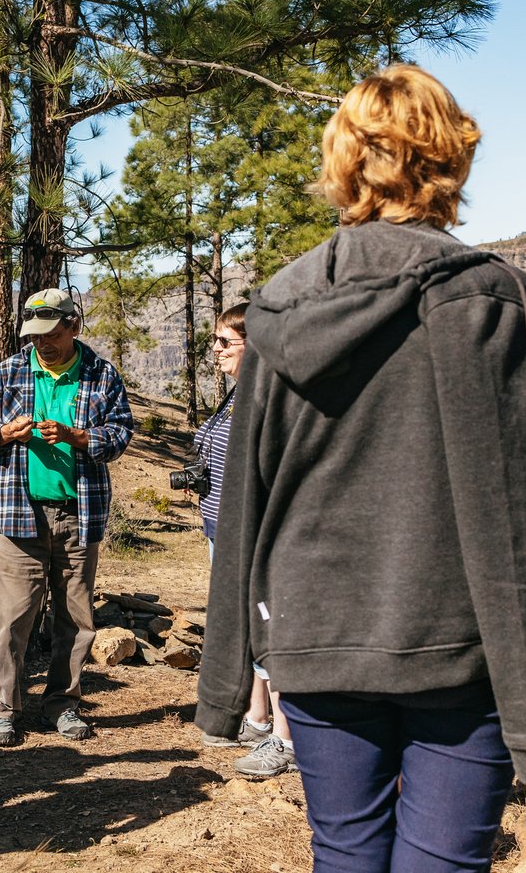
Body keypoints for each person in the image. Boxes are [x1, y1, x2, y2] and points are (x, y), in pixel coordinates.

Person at [198, 65, 526, 873]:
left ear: (343, 162)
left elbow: (242, 497)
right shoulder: (500, 304)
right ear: (451, 155)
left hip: (316, 638)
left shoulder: (280, 307)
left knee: (346, 853)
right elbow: (524, 510)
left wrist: (224, 679)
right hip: (461, 647)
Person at [0, 288, 134, 746]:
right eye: (35, 334)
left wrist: (78, 438)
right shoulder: (11, 370)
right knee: (12, 617)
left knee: (76, 618)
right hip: (20, 514)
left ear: (73, 326)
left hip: (79, 514)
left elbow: (121, 433)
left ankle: (63, 704)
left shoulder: (101, 374)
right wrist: (2, 432)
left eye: (51, 334)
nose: (42, 342)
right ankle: (0, 709)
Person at [193, 304, 295, 777]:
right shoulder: (238, 395)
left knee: (270, 629)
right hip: (225, 529)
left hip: (257, 536)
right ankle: (257, 718)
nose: (214, 351)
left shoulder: (270, 398)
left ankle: (287, 739)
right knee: (250, 629)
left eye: (224, 342)